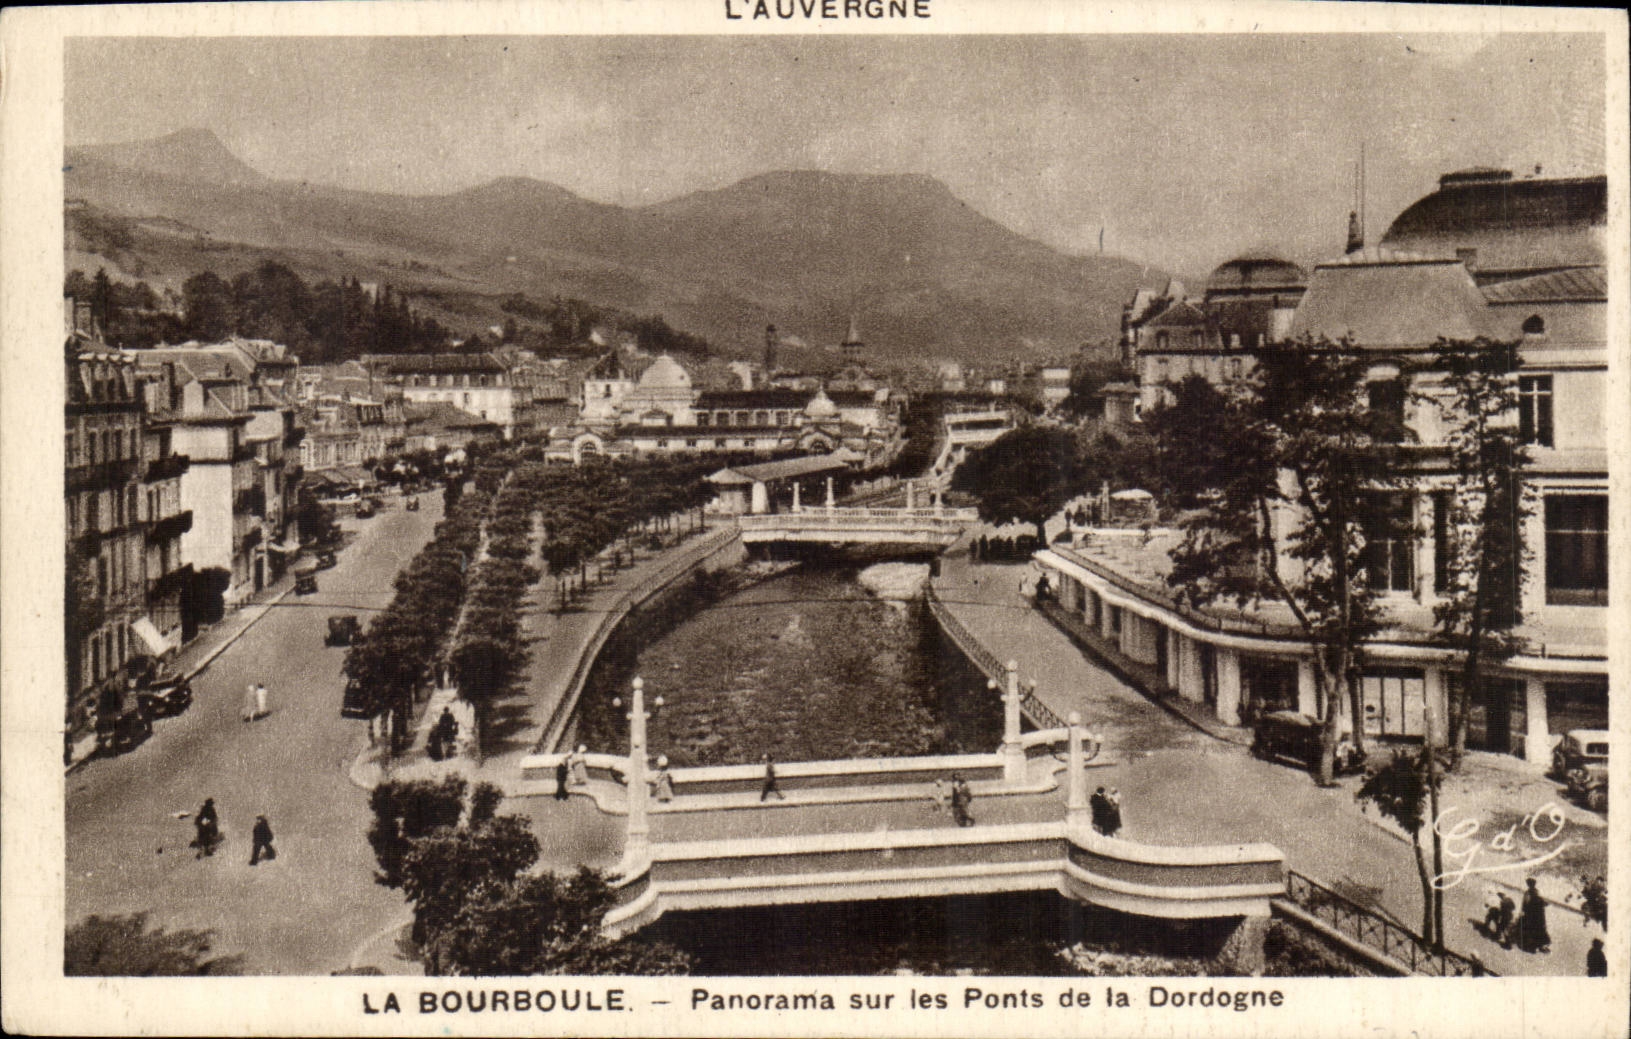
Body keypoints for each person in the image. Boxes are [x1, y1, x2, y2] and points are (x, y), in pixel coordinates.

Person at [1519, 877, 1551, 953]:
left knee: (1532, 928)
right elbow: (1543, 901)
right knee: (1540, 928)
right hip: (1539, 914)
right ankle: (1540, 945)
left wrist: (1523, 911)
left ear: (1528, 885)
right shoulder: (1537, 892)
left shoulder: (1528, 893)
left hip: (1532, 914)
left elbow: (1525, 904)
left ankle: (1534, 945)